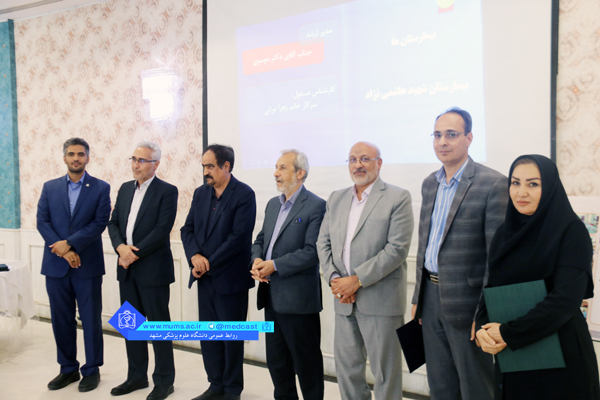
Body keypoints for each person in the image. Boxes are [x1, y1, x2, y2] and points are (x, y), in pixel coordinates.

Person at [476, 155, 600, 400]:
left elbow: (565, 300)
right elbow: (492, 288)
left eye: (533, 184)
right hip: (513, 356)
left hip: (560, 357)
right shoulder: (504, 233)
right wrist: (483, 329)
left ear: (550, 187)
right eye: (515, 183)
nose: (521, 192)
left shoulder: (571, 231)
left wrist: (509, 333)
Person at [411, 107, 507, 400]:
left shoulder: (493, 183)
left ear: (469, 138)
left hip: (468, 304)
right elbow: (424, 245)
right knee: (440, 385)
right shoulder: (430, 183)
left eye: (451, 135)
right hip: (430, 298)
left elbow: (496, 258)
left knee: (475, 386)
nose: (443, 142)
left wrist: (485, 311)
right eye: (437, 135)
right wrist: (417, 298)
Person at [317, 141, 414, 400]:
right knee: (347, 370)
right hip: (343, 299)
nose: (358, 165)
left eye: (364, 159)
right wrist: (336, 280)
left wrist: (356, 280)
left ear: (379, 163)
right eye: (352, 159)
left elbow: (397, 249)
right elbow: (323, 243)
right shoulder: (336, 198)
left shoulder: (398, 197)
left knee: (385, 373)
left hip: (381, 300)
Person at [181, 144, 256, 400]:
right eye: (203, 166)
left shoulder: (244, 194)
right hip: (204, 278)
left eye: (210, 166)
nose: (205, 172)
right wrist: (195, 256)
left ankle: (232, 389)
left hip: (230, 279)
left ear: (226, 166)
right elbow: (187, 229)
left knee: (230, 338)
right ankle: (215, 386)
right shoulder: (201, 193)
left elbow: (239, 238)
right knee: (210, 336)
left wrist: (208, 262)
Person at [250, 149, 326, 400]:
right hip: (271, 297)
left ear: (300, 173)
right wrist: (257, 260)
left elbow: (312, 252)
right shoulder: (273, 204)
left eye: (282, 168)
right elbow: (260, 240)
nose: (276, 173)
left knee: (307, 364)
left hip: (298, 302)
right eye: (276, 167)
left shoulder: (316, 205)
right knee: (277, 362)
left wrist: (275, 265)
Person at [37, 138, 111, 393]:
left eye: (81, 154)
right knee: (61, 320)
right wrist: (63, 250)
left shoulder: (101, 188)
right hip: (55, 265)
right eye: (71, 154)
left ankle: (92, 370)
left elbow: (100, 222)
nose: (76, 158)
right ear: (64, 158)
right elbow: (42, 222)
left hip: (87, 265)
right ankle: (68, 369)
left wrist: (69, 244)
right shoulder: (50, 187)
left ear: (88, 158)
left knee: (90, 319)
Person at [108, 141, 178, 400]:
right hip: (127, 269)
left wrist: (131, 254)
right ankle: (136, 376)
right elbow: (113, 223)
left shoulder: (167, 191)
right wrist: (120, 248)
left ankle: (164, 381)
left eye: (142, 160)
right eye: (133, 159)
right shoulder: (126, 188)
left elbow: (161, 230)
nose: (135, 164)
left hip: (152, 269)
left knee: (159, 326)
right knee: (131, 325)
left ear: (156, 164)